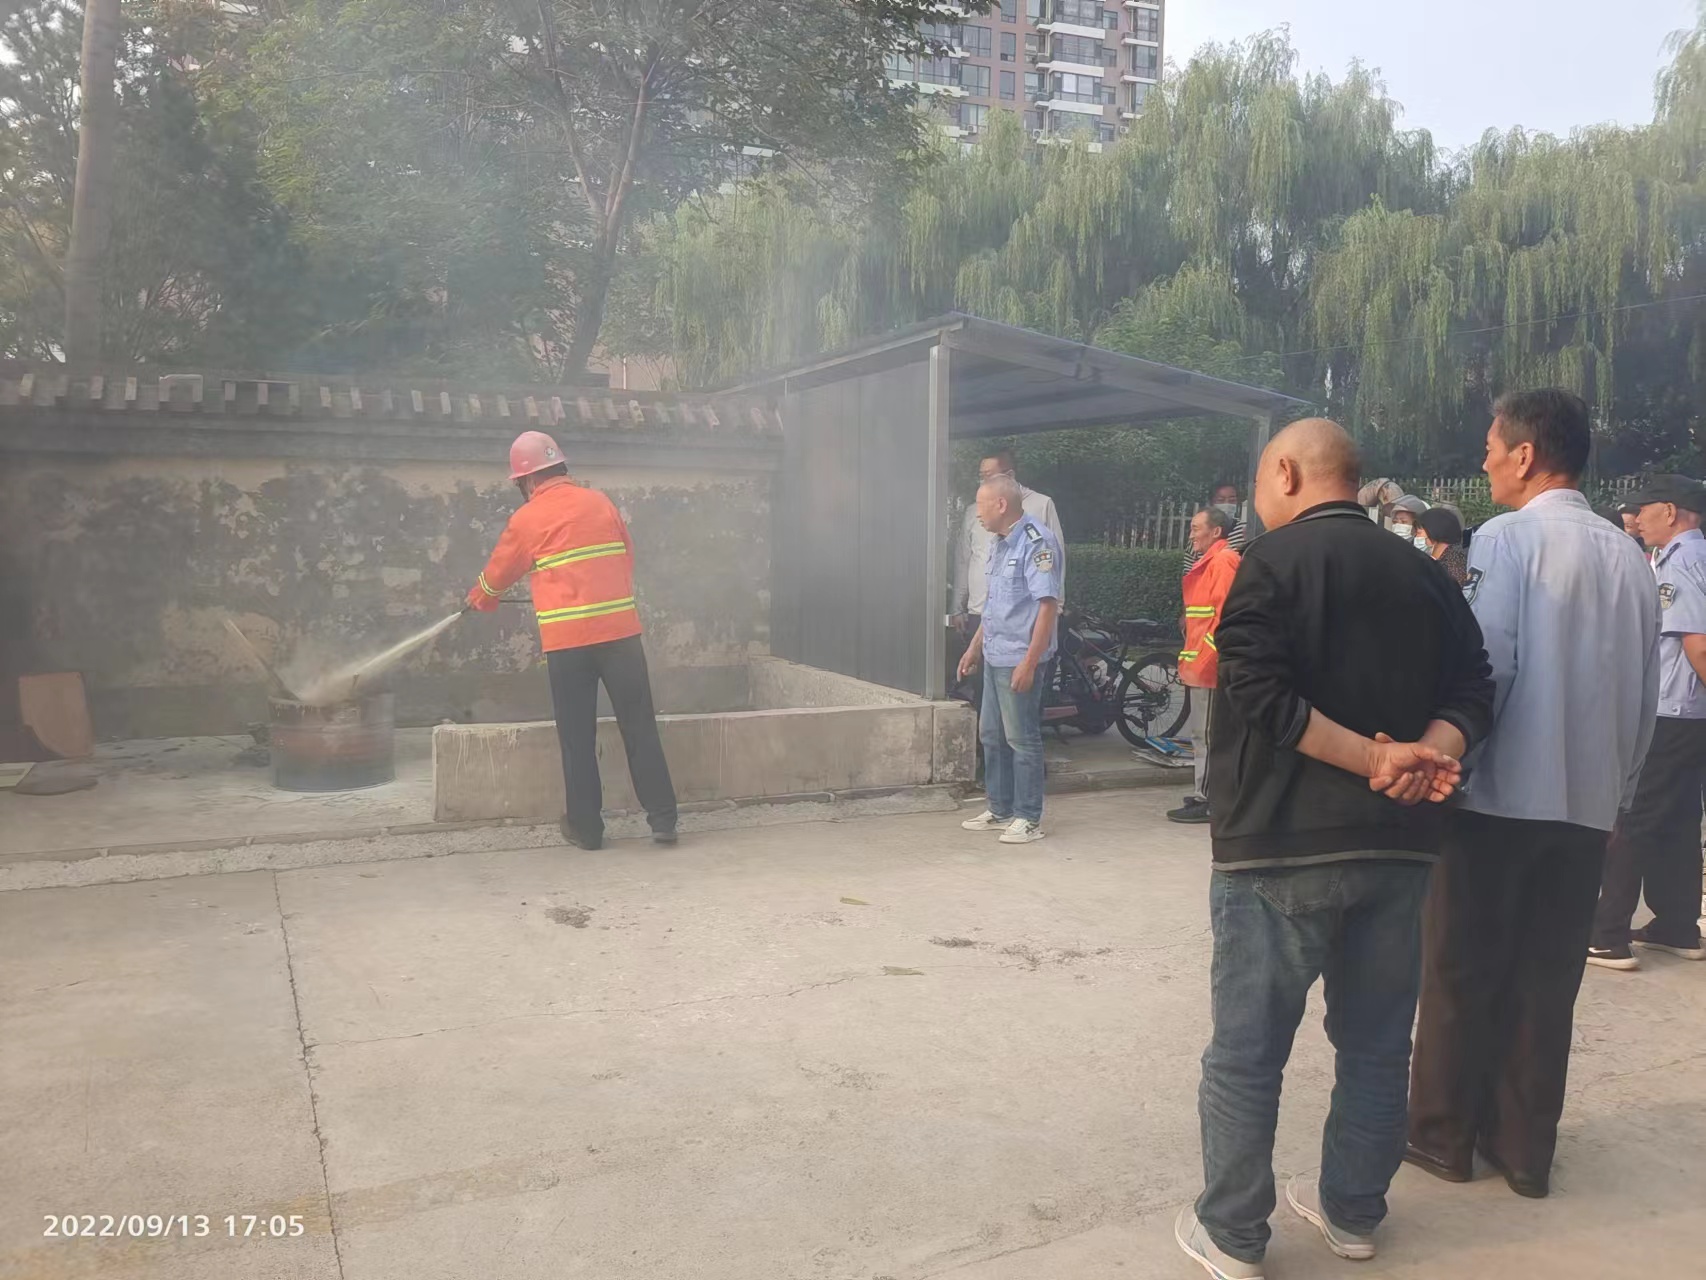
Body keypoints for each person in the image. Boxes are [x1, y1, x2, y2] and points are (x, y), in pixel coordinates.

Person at [1176, 419, 1494, 1280]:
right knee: (1377, 1047)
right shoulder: (1427, 573)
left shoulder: (1270, 564)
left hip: (1277, 847)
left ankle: (1234, 1235)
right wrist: (1427, 756)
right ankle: (1354, 1216)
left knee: (1248, 1054)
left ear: (1285, 472)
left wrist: (1378, 758)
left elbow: (1258, 691)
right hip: (1399, 848)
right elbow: (1476, 685)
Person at [1406, 389, 1660, 1200]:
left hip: (1498, 798)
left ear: (1525, 454)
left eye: (1491, 446)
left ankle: (1443, 1135)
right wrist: (1619, 793)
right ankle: (1523, 1150)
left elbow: (1491, 668)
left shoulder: (1506, 539)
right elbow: (1645, 694)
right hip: (1586, 803)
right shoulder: (1630, 555)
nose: (1484, 460)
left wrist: (1449, 764)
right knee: (1547, 982)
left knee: (1459, 969)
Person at [466, 431, 678, 851]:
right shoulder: (601, 503)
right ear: (560, 467)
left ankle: (587, 830)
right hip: (621, 635)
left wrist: (481, 597)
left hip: (568, 643)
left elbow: (498, 573)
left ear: (526, 480)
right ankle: (664, 818)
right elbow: (625, 556)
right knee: (639, 725)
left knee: (577, 737)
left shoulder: (527, 519)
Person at [1588, 475, 1706, 970]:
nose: (1636, 519)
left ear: (1670, 511)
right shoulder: (1694, 556)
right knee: (1678, 819)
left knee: (1633, 817)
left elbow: (1697, 644)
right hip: (1691, 716)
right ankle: (1678, 924)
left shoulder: (1680, 563)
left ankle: (1608, 933)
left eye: (1644, 509)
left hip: (1671, 711)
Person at [955, 474, 1063, 846]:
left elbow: (1047, 607)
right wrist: (974, 648)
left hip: (1019, 656)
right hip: (995, 654)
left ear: (1001, 505)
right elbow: (995, 605)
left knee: (1022, 738)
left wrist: (1029, 663)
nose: (977, 513)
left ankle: (1028, 817)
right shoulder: (999, 543)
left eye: (982, 505)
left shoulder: (1037, 542)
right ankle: (999, 809)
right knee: (991, 734)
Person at [1168, 505, 1241, 825]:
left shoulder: (1222, 561)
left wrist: (1207, 658)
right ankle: (1206, 793)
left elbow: (1225, 618)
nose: (1191, 535)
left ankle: (1208, 799)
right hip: (1204, 662)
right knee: (1205, 735)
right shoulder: (1215, 560)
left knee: (1207, 736)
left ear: (1216, 532)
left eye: (1196, 528)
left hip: (1209, 666)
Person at [951, 450, 1064, 627]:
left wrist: (1056, 608)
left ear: (1009, 476)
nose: (983, 482)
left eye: (988, 476)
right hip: (980, 610)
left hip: (1024, 615)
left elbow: (1055, 561)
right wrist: (957, 607)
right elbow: (963, 560)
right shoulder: (973, 512)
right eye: (981, 477)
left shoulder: (1041, 505)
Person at [1182, 482, 1249, 574]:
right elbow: (1188, 571)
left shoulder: (1244, 531)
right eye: (1221, 500)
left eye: (1232, 500)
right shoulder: (1198, 535)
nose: (1227, 504)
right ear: (1212, 503)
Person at [1414, 506, 1469, 585]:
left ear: (1434, 530)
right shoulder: (1440, 557)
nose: (1416, 537)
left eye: (1419, 532)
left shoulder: (1454, 561)